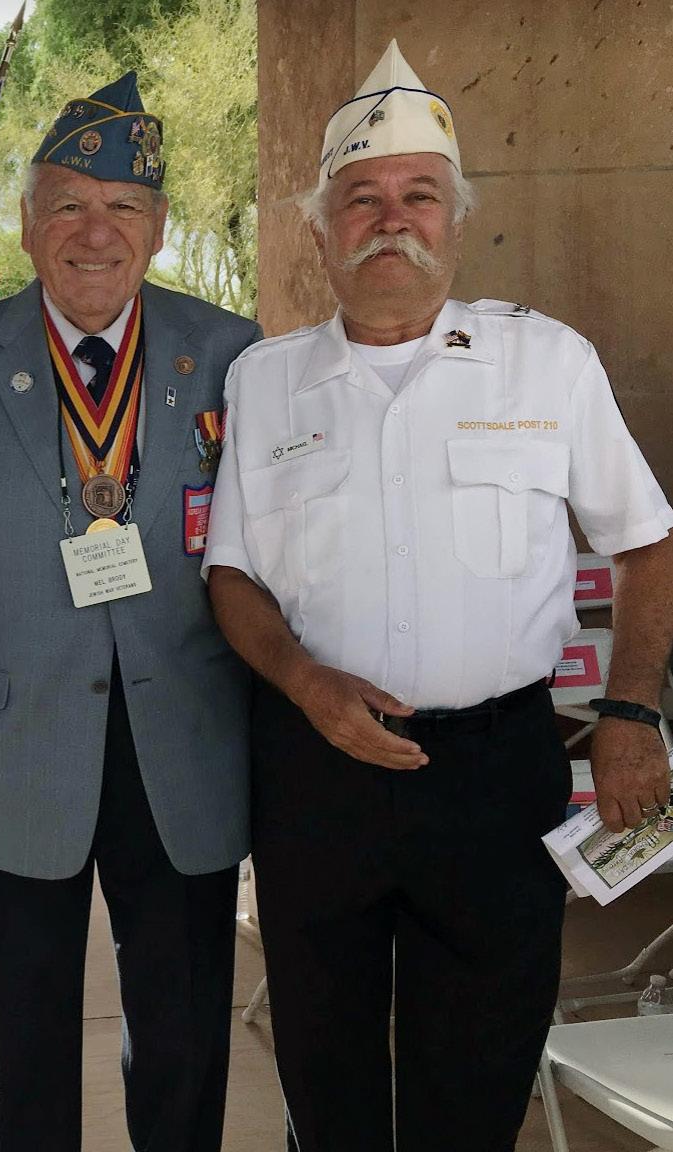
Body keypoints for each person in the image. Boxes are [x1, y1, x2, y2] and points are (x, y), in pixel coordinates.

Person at [202, 40, 673, 1152]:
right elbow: (231, 573)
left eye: (418, 195)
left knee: (480, 1066)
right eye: (360, 198)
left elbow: (645, 543)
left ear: (457, 222)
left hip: (495, 774)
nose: (390, 220)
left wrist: (628, 714)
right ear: (320, 230)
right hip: (316, 770)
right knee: (324, 1064)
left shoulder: (547, 362)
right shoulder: (264, 381)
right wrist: (304, 681)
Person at [0, 72, 261, 1152]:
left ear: (160, 225)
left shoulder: (231, 351)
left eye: (123, 207)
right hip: (10, 751)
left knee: (183, 1031)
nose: (96, 233)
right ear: (26, 220)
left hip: (183, 743)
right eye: (68, 206)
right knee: (23, 1033)